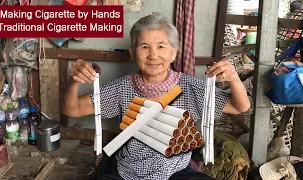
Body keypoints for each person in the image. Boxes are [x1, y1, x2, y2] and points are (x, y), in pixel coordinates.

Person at [62, 12, 250, 180]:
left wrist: (234, 79)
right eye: (144, 46)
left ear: (173, 53)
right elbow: (72, 109)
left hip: (176, 171)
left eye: (161, 46)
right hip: (128, 171)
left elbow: (239, 106)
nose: (153, 55)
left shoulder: (191, 87)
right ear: (132, 53)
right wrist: (74, 81)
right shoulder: (121, 88)